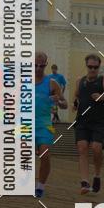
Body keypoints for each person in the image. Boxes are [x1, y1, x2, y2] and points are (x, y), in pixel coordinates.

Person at [73, 55, 104, 194]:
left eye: (95, 67)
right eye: (90, 67)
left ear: (99, 67)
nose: (92, 69)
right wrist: (75, 104)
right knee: (82, 148)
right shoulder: (79, 81)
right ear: (86, 66)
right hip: (82, 121)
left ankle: (97, 175)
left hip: (99, 122)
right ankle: (85, 182)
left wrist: (102, 97)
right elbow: (76, 96)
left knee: (97, 148)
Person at [35, 51, 67, 198]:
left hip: (44, 124)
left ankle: (40, 186)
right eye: (35, 65)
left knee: (45, 154)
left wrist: (58, 100)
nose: (38, 68)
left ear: (46, 65)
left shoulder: (52, 83)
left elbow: (65, 104)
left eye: (41, 66)